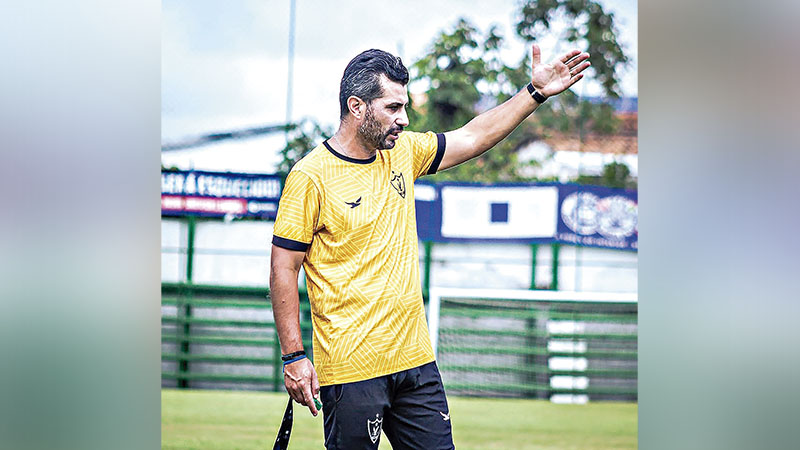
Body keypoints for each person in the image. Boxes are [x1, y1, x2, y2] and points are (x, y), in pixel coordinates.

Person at [270, 45, 590, 449]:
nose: (403, 119)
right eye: (391, 108)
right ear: (356, 106)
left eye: (404, 107)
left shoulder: (403, 152)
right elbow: (284, 268)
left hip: (415, 363)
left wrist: (535, 93)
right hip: (352, 370)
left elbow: (473, 135)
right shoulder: (310, 176)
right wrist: (294, 357)